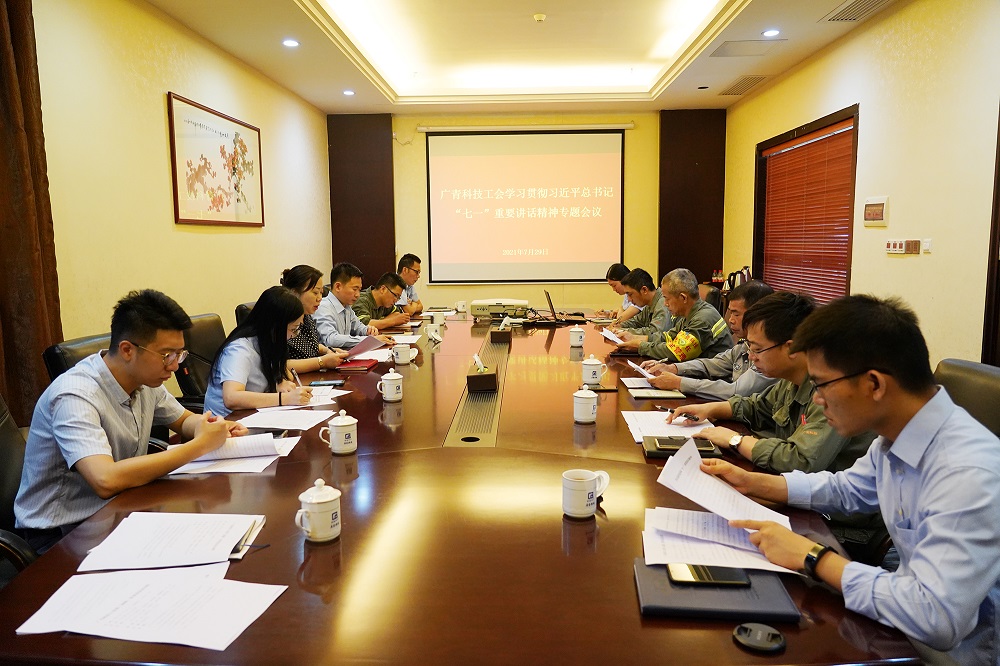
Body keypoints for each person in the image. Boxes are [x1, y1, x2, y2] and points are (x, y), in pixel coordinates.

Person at [701, 295, 1000, 663]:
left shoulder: (967, 472)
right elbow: (846, 489)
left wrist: (812, 556)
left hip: (955, 653)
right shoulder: (895, 437)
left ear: (874, 384)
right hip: (903, 615)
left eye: (822, 384)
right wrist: (754, 483)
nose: (818, 400)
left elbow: (934, 615)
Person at [15, 290, 246, 554]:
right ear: (127, 350)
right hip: (60, 534)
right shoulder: (75, 395)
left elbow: (183, 421)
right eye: (167, 355)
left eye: (179, 354)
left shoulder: (144, 380)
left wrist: (209, 426)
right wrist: (199, 446)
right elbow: (105, 480)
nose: (174, 366)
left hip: (118, 510)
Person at [640, 280, 777, 399]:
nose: (730, 320)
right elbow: (711, 364)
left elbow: (736, 391)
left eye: (736, 314)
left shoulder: (769, 352)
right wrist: (672, 368)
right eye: (730, 313)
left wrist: (679, 382)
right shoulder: (743, 346)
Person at [203, 286, 314, 417]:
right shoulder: (239, 350)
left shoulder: (268, 342)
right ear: (275, 326)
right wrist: (284, 398)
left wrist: (279, 382)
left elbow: (286, 375)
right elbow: (232, 398)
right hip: (228, 421)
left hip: (254, 415)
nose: (294, 335)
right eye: (294, 329)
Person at [617, 268, 732, 362]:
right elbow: (668, 337)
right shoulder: (688, 315)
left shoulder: (703, 318)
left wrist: (641, 346)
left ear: (683, 298)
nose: (665, 304)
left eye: (667, 299)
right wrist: (635, 338)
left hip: (715, 378)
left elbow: (676, 351)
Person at [279, 264, 348, 373]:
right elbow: (280, 364)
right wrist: (322, 362)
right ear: (294, 293)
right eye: (315, 292)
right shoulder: (280, 319)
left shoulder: (306, 315)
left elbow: (310, 345)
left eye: (321, 293)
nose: (320, 298)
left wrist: (327, 350)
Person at [314, 262, 395, 349]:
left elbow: (358, 327)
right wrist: (368, 340)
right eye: (354, 289)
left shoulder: (347, 307)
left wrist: (368, 330)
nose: (358, 295)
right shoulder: (323, 307)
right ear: (338, 287)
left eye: (359, 290)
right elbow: (331, 339)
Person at [607, 268, 669, 337]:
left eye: (630, 294)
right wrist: (619, 325)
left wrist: (622, 330)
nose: (629, 299)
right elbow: (636, 321)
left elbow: (654, 332)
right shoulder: (649, 304)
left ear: (644, 290)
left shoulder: (663, 303)